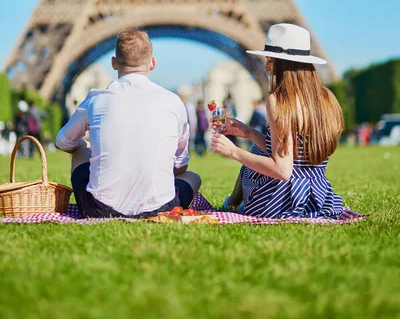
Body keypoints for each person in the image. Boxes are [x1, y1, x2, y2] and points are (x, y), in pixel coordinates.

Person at [56, 29, 201, 218]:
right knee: (193, 178)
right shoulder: (174, 102)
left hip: (99, 208)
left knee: (80, 151)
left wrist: (88, 147)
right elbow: (181, 166)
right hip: (161, 209)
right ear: (152, 63)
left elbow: (62, 141)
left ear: (114, 63)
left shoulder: (95, 98)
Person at [211, 23, 347, 219]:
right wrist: (249, 132)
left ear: (281, 62)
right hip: (318, 198)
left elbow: (283, 171)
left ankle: (234, 201)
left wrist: (232, 151)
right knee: (258, 151)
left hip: (280, 201)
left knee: (249, 164)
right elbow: (297, 159)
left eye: (269, 60)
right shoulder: (327, 98)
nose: (266, 66)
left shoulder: (279, 101)